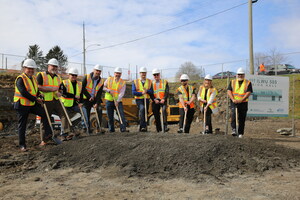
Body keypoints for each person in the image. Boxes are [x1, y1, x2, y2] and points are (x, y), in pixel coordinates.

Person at [14, 59, 53, 151]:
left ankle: (48, 133)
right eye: (29, 69)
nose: (31, 70)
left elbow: (35, 90)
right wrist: (36, 99)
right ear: (24, 68)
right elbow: (23, 92)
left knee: (44, 113)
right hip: (21, 105)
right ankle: (22, 145)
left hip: (31, 104)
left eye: (32, 69)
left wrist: (39, 94)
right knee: (22, 125)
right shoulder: (20, 79)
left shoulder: (34, 78)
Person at [36, 58, 67, 145]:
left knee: (64, 115)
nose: (54, 68)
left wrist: (60, 93)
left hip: (56, 100)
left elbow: (60, 89)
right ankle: (43, 140)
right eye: (53, 66)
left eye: (56, 67)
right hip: (46, 100)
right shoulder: (41, 75)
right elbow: (38, 87)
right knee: (45, 119)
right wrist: (51, 89)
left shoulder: (58, 77)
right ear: (48, 66)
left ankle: (64, 134)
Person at [227, 67, 253, 138]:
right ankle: (234, 129)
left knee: (242, 118)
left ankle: (240, 132)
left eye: (241, 74)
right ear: (237, 75)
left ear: (244, 75)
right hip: (234, 101)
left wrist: (241, 100)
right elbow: (229, 91)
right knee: (233, 115)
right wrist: (233, 99)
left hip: (243, 102)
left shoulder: (248, 83)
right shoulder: (232, 82)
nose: (240, 76)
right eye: (239, 74)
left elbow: (248, 92)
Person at [60, 67, 83, 140]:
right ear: (69, 75)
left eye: (75, 75)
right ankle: (63, 134)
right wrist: (74, 96)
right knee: (65, 119)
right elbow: (63, 93)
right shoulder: (64, 82)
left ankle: (73, 130)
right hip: (66, 104)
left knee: (80, 116)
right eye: (72, 75)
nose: (74, 77)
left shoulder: (79, 84)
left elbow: (81, 94)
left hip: (75, 104)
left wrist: (81, 102)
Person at [103, 67, 129, 133]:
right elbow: (103, 87)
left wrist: (117, 101)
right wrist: (108, 90)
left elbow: (122, 93)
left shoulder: (123, 82)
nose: (118, 74)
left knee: (121, 115)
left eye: (119, 73)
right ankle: (111, 130)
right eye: (117, 73)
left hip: (118, 101)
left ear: (121, 74)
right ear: (114, 73)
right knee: (110, 116)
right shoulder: (109, 79)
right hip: (109, 100)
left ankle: (123, 129)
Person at [81, 64, 104, 134]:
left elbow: (99, 93)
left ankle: (98, 128)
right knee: (86, 113)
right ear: (93, 70)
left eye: (99, 71)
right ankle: (85, 128)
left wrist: (96, 103)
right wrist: (89, 97)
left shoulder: (101, 81)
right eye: (97, 70)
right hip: (86, 98)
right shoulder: (86, 77)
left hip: (95, 98)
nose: (98, 72)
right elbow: (82, 89)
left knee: (99, 109)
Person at [132, 67, 153, 132]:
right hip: (139, 99)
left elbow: (152, 91)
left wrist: (147, 91)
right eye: (142, 73)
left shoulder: (149, 81)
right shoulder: (135, 81)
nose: (143, 74)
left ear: (146, 73)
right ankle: (142, 126)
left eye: (144, 73)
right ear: (140, 73)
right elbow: (133, 92)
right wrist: (141, 93)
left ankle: (143, 127)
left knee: (145, 112)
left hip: (146, 99)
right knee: (142, 109)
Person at [150, 68, 169, 132]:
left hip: (162, 100)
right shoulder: (151, 83)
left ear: (159, 75)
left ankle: (165, 126)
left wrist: (164, 99)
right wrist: (154, 99)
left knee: (163, 111)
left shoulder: (164, 82)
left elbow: (167, 91)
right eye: (154, 75)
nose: (156, 76)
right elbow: (151, 93)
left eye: (157, 75)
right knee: (156, 113)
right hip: (155, 101)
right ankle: (158, 129)